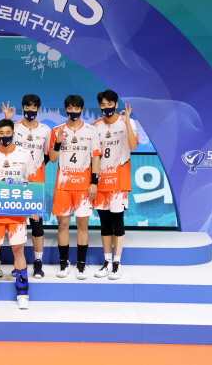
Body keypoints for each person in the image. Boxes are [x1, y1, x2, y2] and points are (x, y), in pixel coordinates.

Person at [0, 119, 38, 310]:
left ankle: (23, 294)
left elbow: (32, 181)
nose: (5, 136)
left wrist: (34, 207)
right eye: (1, 133)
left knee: (18, 250)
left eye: (8, 133)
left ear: (13, 133)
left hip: (17, 211)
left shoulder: (24, 154)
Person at [49, 95, 101, 280]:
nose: (73, 111)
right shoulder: (57, 130)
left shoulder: (91, 131)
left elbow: (96, 157)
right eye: (70, 108)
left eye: (76, 108)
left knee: (82, 225)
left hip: (83, 186)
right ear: (66, 110)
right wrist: (58, 142)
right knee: (63, 225)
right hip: (63, 186)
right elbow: (52, 158)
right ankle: (64, 263)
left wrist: (94, 182)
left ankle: (81, 264)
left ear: (81, 109)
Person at [2, 95, 51, 278]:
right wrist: (7, 120)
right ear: (23, 108)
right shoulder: (13, 127)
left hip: (36, 184)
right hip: (16, 183)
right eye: (27, 107)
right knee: (18, 226)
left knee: (37, 225)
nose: (30, 110)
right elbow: (5, 146)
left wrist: (34, 170)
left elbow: (48, 155)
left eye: (33, 107)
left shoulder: (46, 130)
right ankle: (19, 262)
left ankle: (38, 263)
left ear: (38, 109)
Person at [93, 90, 139, 280]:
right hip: (101, 182)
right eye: (103, 105)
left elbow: (133, 146)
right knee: (104, 224)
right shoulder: (96, 126)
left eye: (110, 104)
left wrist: (127, 123)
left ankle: (117, 263)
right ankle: (107, 261)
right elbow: (95, 155)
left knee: (117, 223)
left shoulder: (128, 122)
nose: (106, 108)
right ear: (99, 107)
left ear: (116, 104)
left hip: (119, 181)